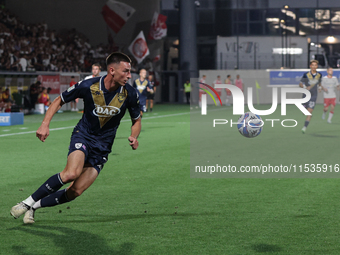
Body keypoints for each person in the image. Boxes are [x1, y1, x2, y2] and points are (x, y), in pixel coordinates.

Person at [10, 52, 141, 224]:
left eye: (129, 71)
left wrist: (134, 135)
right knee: (71, 173)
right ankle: (26, 203)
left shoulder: (129, 93)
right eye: (125, 71)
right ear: (112, 70)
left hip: (103, 147)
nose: (129, 75)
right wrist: (45, 124)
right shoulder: (88, 85)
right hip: (84, 135)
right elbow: (59, 100)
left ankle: (35, 207)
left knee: (75, 192)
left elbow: (136, 120)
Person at [299, 60, 324, 133]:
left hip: (313, 96)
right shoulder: (306, 74)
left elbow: (319, 83)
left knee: (309, 112)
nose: (314, 66)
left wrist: (320, 88)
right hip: (305, 95)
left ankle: (304, 127)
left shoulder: (319, 75)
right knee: (304, 112)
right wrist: (304, 87)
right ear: (310, 66)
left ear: (317, 66)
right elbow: (300, 83)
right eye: (312, 65)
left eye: (315, 65)